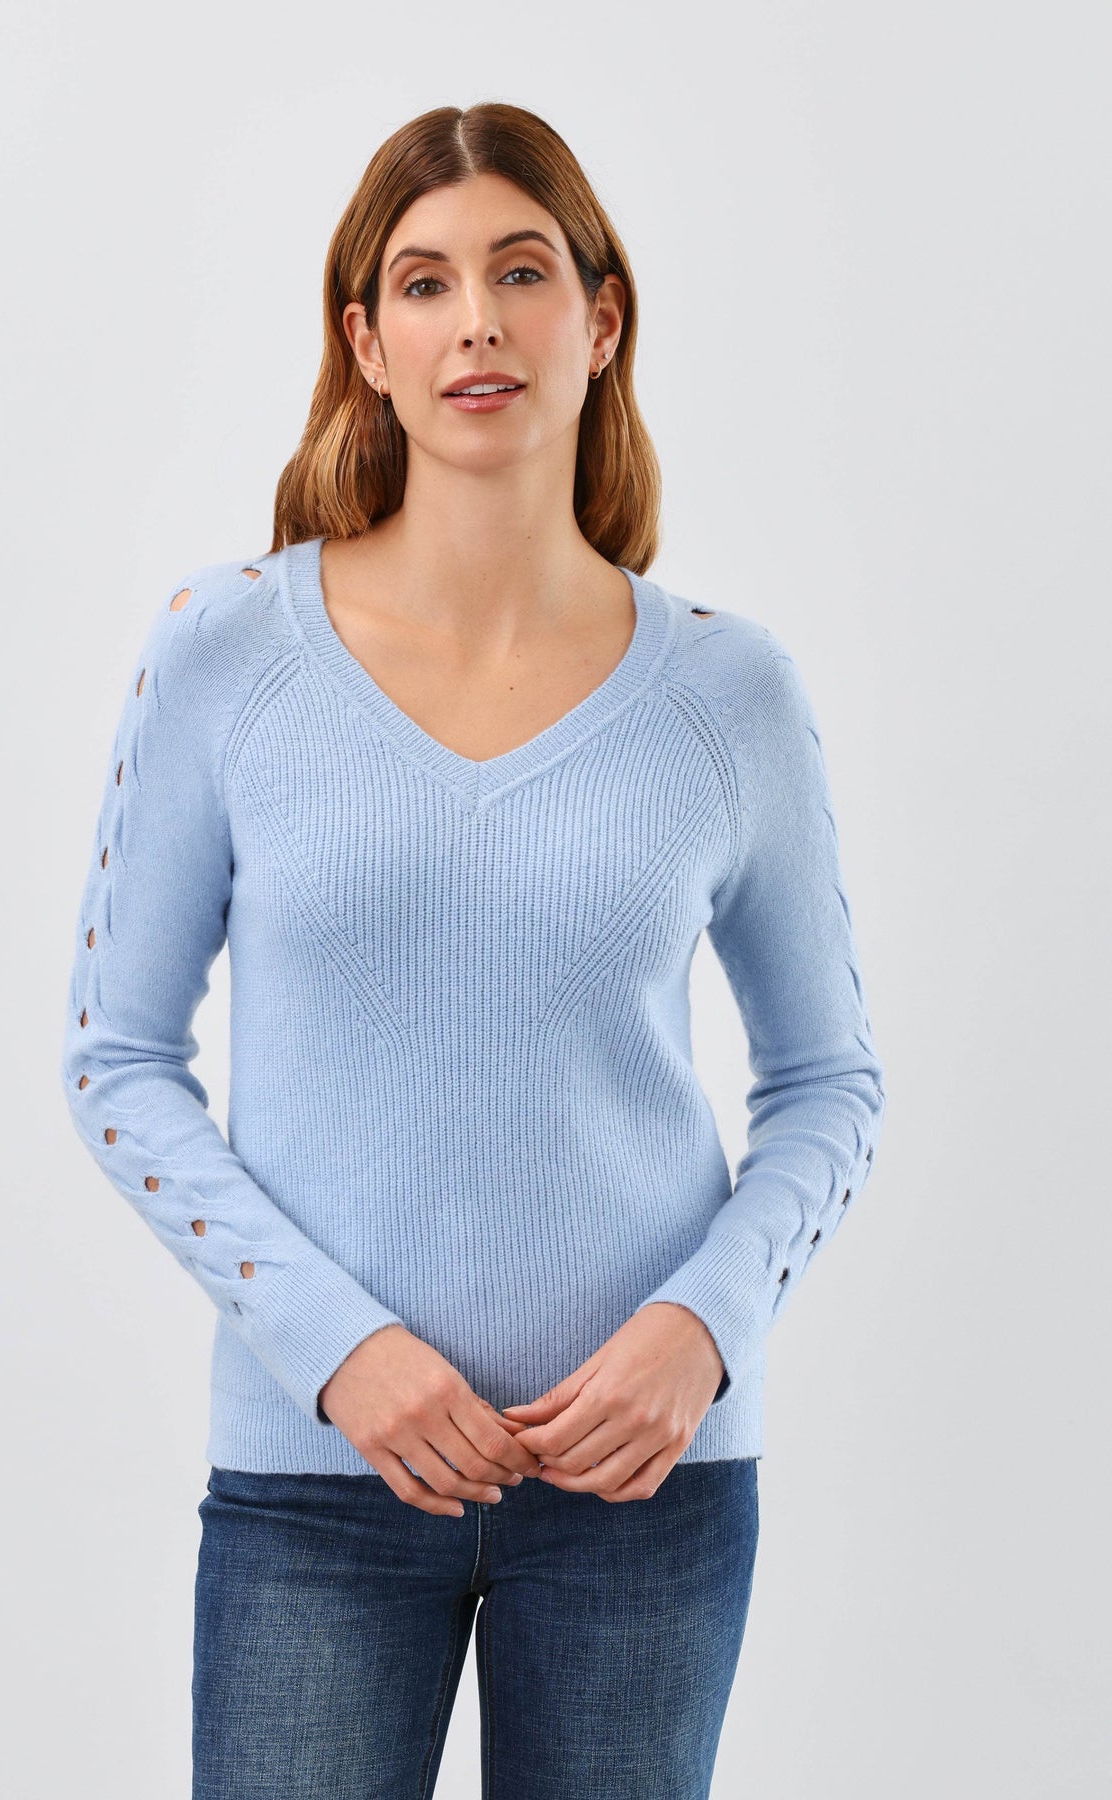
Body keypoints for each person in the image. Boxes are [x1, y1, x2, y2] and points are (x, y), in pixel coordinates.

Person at [61, 100, 885, 1800]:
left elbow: (827, 1083)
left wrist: (702, 1329)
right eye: (425, 284)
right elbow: (115, 1060)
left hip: (645, 1492)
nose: (478, 324)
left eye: (520, 273)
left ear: (601, 318)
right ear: (367, 343)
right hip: (318, 1485)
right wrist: (333, 1347)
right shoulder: (226, 652)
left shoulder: (727, 692)